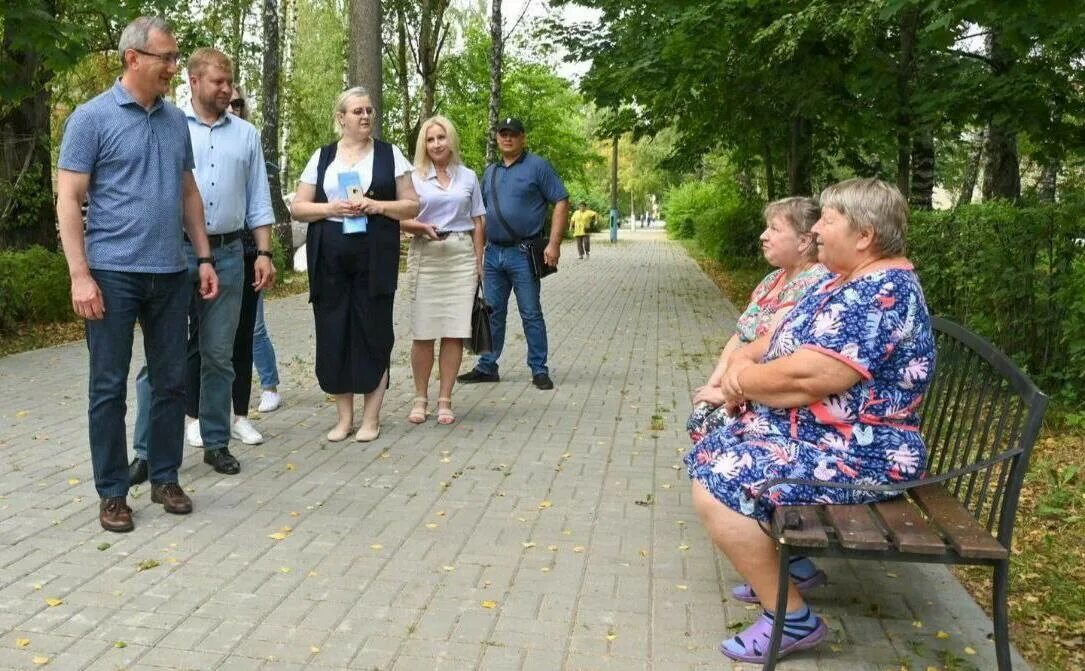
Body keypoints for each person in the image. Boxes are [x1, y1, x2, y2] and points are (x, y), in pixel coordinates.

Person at [685, 178, 935, 664]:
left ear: (863, 235)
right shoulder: (843, 279)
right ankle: (787, 566)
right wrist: (741, 375)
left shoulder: (880, 293)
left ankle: (792, 619)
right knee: (712, 436)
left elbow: (810, 377)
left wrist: (743, 383)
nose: (816, 228)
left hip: (863, 454)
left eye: (828, 219)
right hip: (828, 437)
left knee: (717, 475)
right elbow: (778, 339)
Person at [56, 16, 219, 532]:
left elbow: (189, 192)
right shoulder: (91, 118)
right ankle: (112, 492)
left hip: (171, 272)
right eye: (166, 58)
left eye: (174, 58)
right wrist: (80, 275)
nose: (174, 67)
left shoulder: (175, 122)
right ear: (134, 59)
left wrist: (204, 257)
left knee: (171, 381)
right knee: (108, 387)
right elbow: (68, 198)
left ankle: (166, 476)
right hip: (111, 274)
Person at [129, 49, 276, 484]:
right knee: (160, 357)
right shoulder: (167, 125)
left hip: (230, 253)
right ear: (193, 81)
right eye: (218, 82)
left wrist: (264, 252)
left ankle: (215, 442)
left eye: (230, 82)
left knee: (218, 354)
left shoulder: (246, 135)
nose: (227, 90)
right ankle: (147, 451)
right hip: (171, 253)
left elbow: (258, 199)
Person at [289, 87, 419, 442]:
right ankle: (344, 418)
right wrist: (331, 208)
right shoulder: (323, 156)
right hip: (329, 252)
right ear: (341, 118)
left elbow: (412, 205)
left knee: (373, 329)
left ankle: (371, 418)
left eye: (369, 110)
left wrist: (378, 207)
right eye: (357, 111)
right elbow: (298, 207)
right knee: (334, 332)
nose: (365, 117)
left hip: (374, 252)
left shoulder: (390, 155)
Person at [687, 197, 827, 444]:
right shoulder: (773, 280)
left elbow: (774, 350)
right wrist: (714, 384)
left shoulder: (812, 284)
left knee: (709, 428)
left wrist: (727, 393)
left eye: (774, 229)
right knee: (700, 417)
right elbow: (740, 335)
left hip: (769, 397)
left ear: (804, 241)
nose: (763, 235)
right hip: (742, 385)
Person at [457, 117, 569, 390]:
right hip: (494, 254)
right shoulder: (491, 172)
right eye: (503, 134)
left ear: (523, 138)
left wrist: (554, 244)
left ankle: (539, 369)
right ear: (497, 138)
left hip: (523, 252)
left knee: (531, 312)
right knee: (492, 312)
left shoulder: (538, 167)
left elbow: (562, 200)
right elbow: (479, 216)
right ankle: (487, 366)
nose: (507, 138)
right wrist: (478, 254)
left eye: (513, 134)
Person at [399, 116, 486, 425]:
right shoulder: (412, 178)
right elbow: (399, 219)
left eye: (441, 137)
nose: (436, 144)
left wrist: (479, 262)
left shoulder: (468, 176)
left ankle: (445, 399)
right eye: (430, 139)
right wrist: (420, 227)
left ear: (451, 140)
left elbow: (478, 220)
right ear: (424, 144)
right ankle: (420, 398)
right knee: (423, 332)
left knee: (454, 332)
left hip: (461, 258)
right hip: (426, 255)